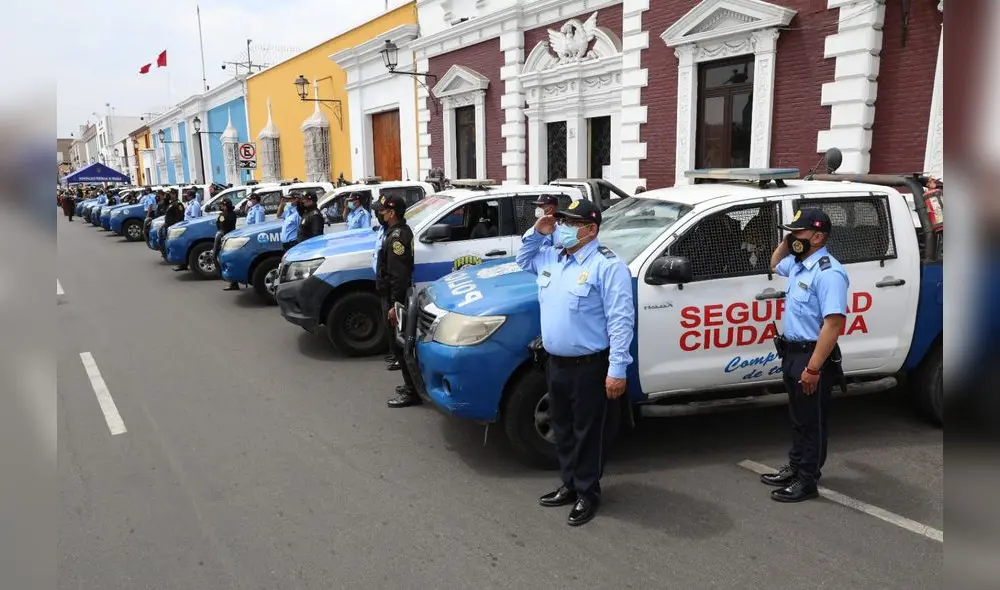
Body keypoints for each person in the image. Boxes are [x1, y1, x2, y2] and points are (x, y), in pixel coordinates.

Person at [515, 198, 635, 527]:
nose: (563, 227)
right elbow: (523, 259)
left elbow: (621, 321)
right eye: (563, 221)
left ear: (591, 230)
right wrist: (538, 232)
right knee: (563, 428)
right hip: (555, 363)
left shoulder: (607, 266)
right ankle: (569, 483)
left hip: (590, 366)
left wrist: (617, 370)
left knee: (588, 432)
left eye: (571, 223)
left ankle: (587, 492)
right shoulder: (552, 257)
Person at [761, 208, 849, 503]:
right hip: (792, 352)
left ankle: (807, 480)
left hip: (813, 356)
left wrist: (813, 368)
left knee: (812, 422)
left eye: (799, 232)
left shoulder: (829, 273)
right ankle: (796, 466)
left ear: (818, 237)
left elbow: (833, 324)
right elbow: (774, 264)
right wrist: (788, 242)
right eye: (792, 233)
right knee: (799, 418)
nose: (793, 237)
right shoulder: (800, 264)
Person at [376, 194, 419, 407]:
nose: (380, 214)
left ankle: (412, 391)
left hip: (395, 299)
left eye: (383, 211)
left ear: (392, 213)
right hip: (393, 296)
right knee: (399, 345)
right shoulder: (398, 231)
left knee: (401, 347)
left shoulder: (396, 238)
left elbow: (398, 276)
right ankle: (410, 385)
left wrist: (395, 305)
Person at [213, 198, 240, 291]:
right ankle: (233, 282)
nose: (221, 207)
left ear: (225, 206)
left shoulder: (223, 215)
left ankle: (228, 279)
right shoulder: (233, 214)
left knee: (216, 257)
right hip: (230, 237)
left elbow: (220, 226)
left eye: (222, 205)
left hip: (223, 237)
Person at [161, 191, 184, 259]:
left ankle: (171, 255)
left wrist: (176, 225)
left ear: (175, 195)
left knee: (171, 241)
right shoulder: (171, 203)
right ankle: (166, 253)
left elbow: (180, 216)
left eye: (171, 194)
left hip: (173, 226)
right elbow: (165, 209)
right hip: (168, 225)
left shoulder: (178, 204)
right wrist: (165, 199)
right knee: (165, 240)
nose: (170, 196)